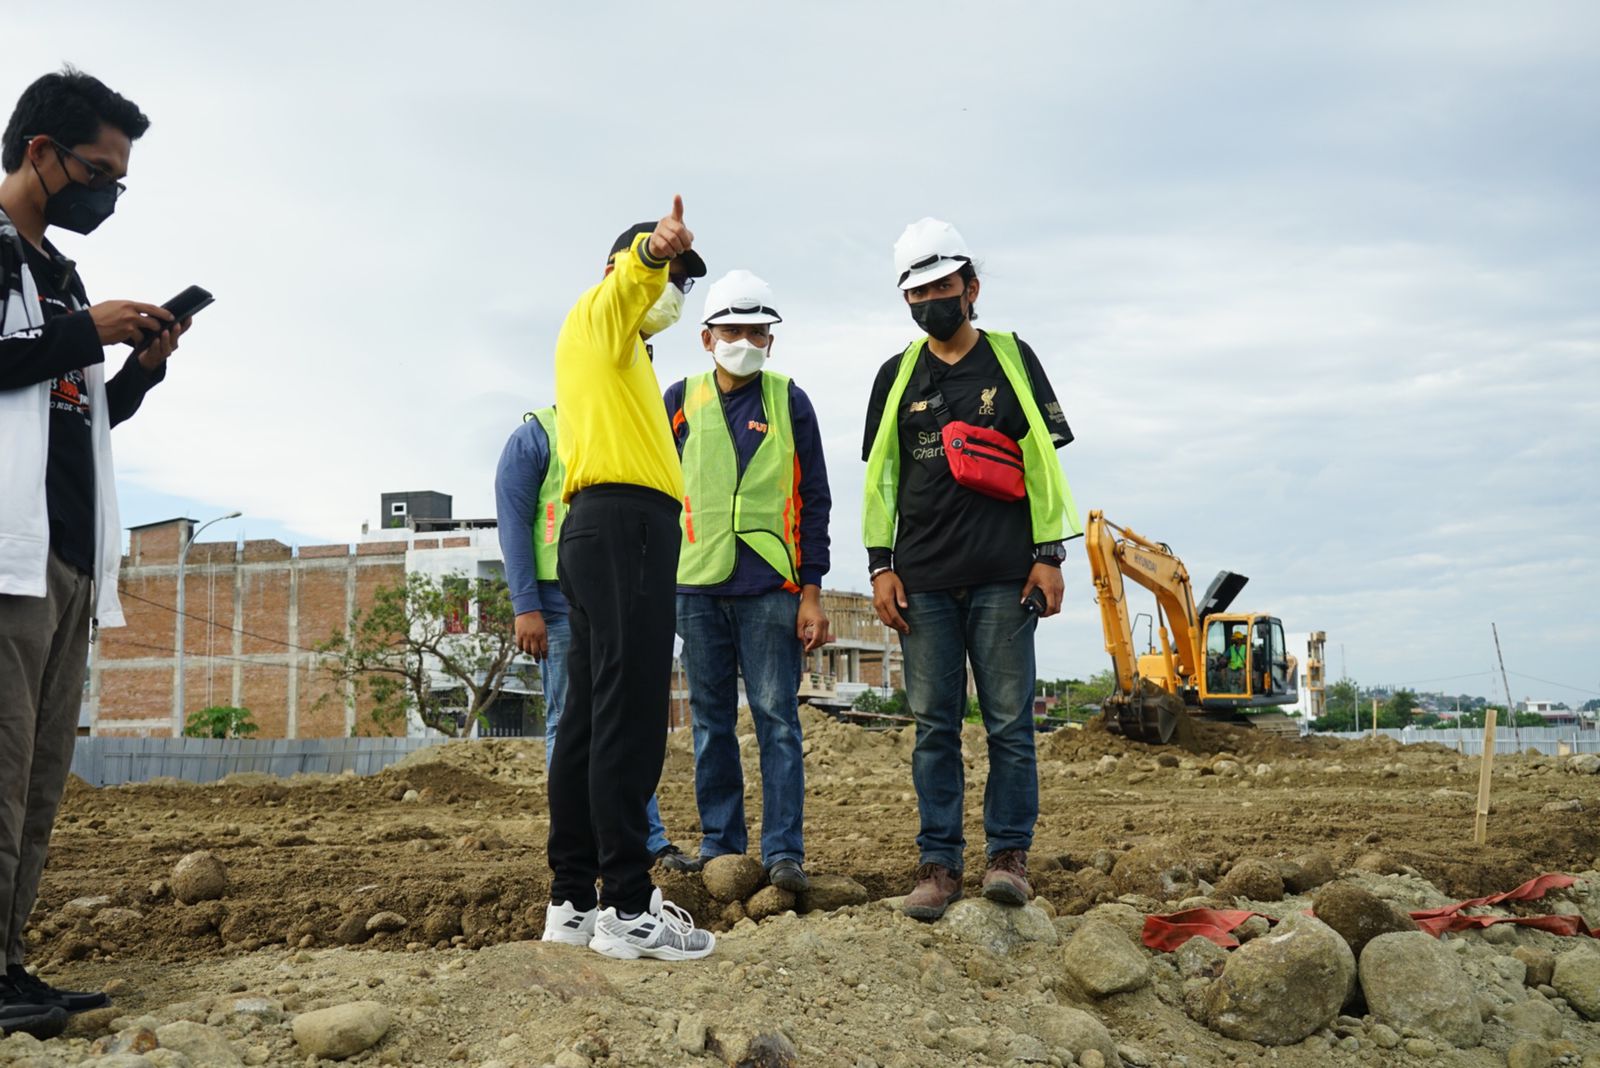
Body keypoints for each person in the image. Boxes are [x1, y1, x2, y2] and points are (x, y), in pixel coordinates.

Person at [0, 69, 191, 1035]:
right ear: (41, 153)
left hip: (69, 559)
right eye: (98, 172)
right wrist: (82, 330)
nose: (106, 195)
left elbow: (78, 417)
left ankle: (9, 964)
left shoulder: (60, 275)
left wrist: (137, 372)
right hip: (5, 559)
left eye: (120, 180)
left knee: (35, 780)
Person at [862, 218, 1080, 921]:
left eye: (943, 286)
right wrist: (879, 566)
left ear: (971, 288)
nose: (932, 300)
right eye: (918, 291)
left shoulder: (1013, 358)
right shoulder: (896, 377)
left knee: (1010, 724)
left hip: (1004, 576)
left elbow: (1045, 462)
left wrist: (1049, 554)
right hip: (922, 579)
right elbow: (882, 480)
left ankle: (1009, 858)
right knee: (934, 726)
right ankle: (938, 866)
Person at [544, 198, 716, 961]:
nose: (675, 288)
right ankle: (627, 907)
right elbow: (628, 285)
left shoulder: (627, 357)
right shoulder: (600, 315)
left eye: (683, 278)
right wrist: (653, 250)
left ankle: (574, 901)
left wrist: (654, 264)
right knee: (631, 713)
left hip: (601, 531)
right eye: (672, 276)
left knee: (587, 719)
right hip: (623, 530)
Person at [664, 270, 832, 893]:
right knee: (709, 721)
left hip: (771, 589)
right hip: (696, 586)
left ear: (771, 339)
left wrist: (812, 591)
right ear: (707, 338)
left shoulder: (790, 401)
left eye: (757, 331)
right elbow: (658, 492)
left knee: (776, 720)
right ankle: (721, 845)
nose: (746, 340)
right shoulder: (679, 400)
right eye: (732, 330)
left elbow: (814, 500)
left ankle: (784, 851)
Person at [492, 410, 698, 878]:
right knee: (570, 725)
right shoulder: (536, 436)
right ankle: (585, 844)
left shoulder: (632, 426)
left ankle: (641, 840)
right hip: (557, 604)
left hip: (621, 594)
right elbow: (514, 523)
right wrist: (526, 606)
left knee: (624, 720)